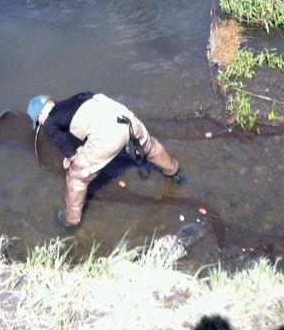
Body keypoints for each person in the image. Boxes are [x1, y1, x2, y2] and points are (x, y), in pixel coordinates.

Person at [27, 91, 181, 231]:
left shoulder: (50, 121)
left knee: (76, 177)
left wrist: (72, 157)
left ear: (41, 115)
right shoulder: (75, 100)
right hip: (126, 119)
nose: (40, 123)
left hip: (109, 135)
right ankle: (175, 172)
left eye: (38, 120)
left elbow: (60, 140)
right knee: (151, 147)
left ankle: (71, 220)